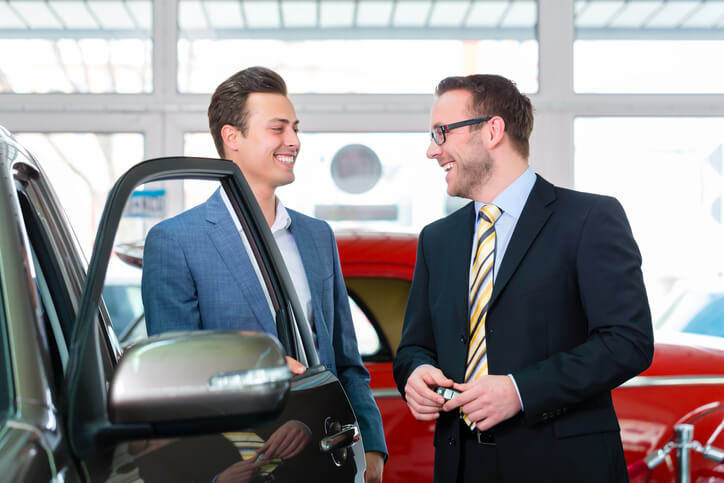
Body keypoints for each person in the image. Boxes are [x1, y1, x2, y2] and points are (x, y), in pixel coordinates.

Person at [392, 74, 654, 483]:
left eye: (441, 133)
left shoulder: (589, 220)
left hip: (563, 467)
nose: (432, 150)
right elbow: (414, 346)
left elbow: (628, 342)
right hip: (461, 466)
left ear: (493, 130)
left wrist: (519, 390)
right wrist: (415, 374)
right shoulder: (437, 240)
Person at [141, 66, 386, 482]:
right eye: (278, 129)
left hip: (332, 458)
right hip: (242, 464)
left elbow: (346, 362)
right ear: (232, 138)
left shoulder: (316, 236)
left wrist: (373, 448)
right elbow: (175, 378)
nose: (293, 141)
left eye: (295, 128)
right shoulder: (176, 241)